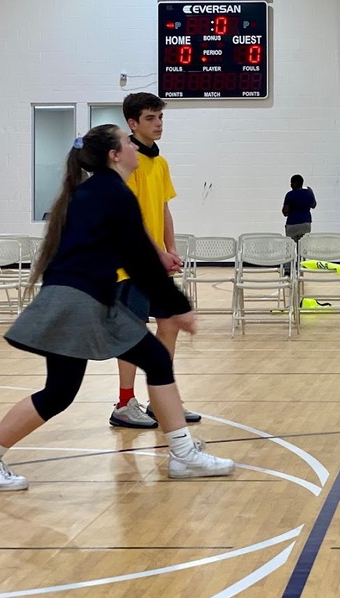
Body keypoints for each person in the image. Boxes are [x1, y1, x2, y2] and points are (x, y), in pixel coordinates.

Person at [0, 125, 234, 491]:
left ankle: (183, 455)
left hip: (88, 297)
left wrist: (170, 299)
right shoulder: (110, 193)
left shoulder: (100, 192)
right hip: (76, 300)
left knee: (151, 359)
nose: (134, 147)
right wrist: (177, 306)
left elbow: (133, 257)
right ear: (114, 155)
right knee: (59, 392)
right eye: (126, 142)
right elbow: (138, 258)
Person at [109, 92, 198, 429]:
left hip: (156, 261)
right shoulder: (125, 162)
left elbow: (162, 208)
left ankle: (162, 399)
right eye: (150, 118)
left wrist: (170, 248)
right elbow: (132, 217)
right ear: (132, 123)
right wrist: (155, 253)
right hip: (130, 264)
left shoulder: (160, 163)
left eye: (160, 117)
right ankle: (123, 403)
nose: (158, 124)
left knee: (169, 323)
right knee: (132, 329)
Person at [282, 174, 316, 243]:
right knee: (303, 246)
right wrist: (312, 193)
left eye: (291, 183)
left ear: (294, 184)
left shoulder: (290, 195)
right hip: (305, 223)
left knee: (290, 247)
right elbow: (313, 205)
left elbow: (285, 211)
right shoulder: (308, 193)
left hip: (292, 224)